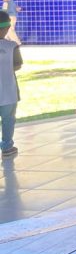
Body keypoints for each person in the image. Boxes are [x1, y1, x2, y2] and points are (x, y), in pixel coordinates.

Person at [0, 10, 22, 158]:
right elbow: (17, 65)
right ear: (6, 28)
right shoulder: (12, 46)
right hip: (8, 91)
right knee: (8, 119)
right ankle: (7, 146)